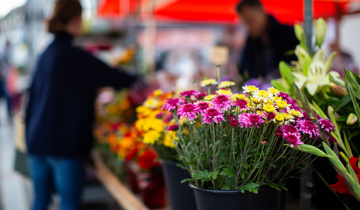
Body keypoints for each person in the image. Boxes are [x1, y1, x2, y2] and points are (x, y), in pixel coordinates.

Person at [25, 1, 138, 210]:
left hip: (36, 141)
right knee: (68, 205)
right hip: (64, 145)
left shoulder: (45, 54)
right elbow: (118, 78)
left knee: (40, 202)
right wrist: (144, 80)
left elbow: (31, 100)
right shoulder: (76, 57)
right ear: (76, 19)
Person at [236, 0, 298, 81]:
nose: (248, 25)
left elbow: (296, 66)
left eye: (250, 19)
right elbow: (243, 72)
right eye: (244, 22)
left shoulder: (289, 34)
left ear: (261, 11)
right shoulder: (250, 41)